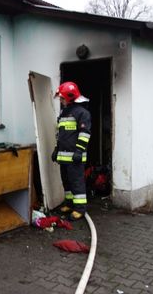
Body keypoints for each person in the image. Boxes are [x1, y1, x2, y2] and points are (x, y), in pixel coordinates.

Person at [51, 82, 91, 221]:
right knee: (66, 182)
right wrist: (56, 150)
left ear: (70, 97)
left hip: (75, 157)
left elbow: (84, 134)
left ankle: (80, 209)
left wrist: (79, 151)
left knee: (77, 182)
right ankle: (69, 204)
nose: (61, 101)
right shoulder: (64, 112)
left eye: (62, 98)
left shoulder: (82, 113)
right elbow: (61, 135)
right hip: (64, 157)